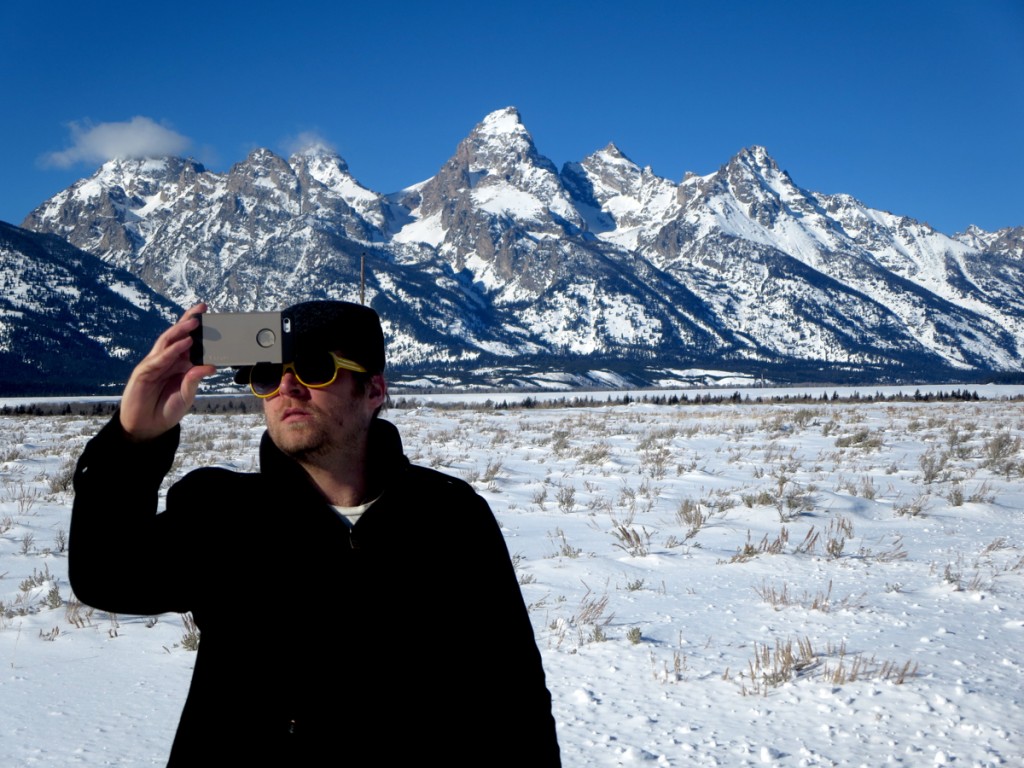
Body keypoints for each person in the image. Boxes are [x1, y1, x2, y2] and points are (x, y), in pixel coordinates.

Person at [70, 300, 561, 766]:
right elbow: (104, 574)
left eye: (314, 369)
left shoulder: (450, 518)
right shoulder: (222, 513)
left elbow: (514, 697)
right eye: (267, 375)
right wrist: (133, 441)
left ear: (373, 390)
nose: (288, 388)